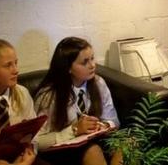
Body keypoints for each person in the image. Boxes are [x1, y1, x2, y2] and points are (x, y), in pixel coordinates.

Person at [34, 37, 121, 165]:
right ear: (68, 68)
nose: (92, 65)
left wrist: (104, 125)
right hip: (64, 147)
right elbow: (37, 141)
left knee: (129, 144)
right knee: (92, 151)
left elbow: (114, 121)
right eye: (84, 62)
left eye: (92, 58)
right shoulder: (49, 95)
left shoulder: (98, 82)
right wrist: (74, 130)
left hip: (94, 140)